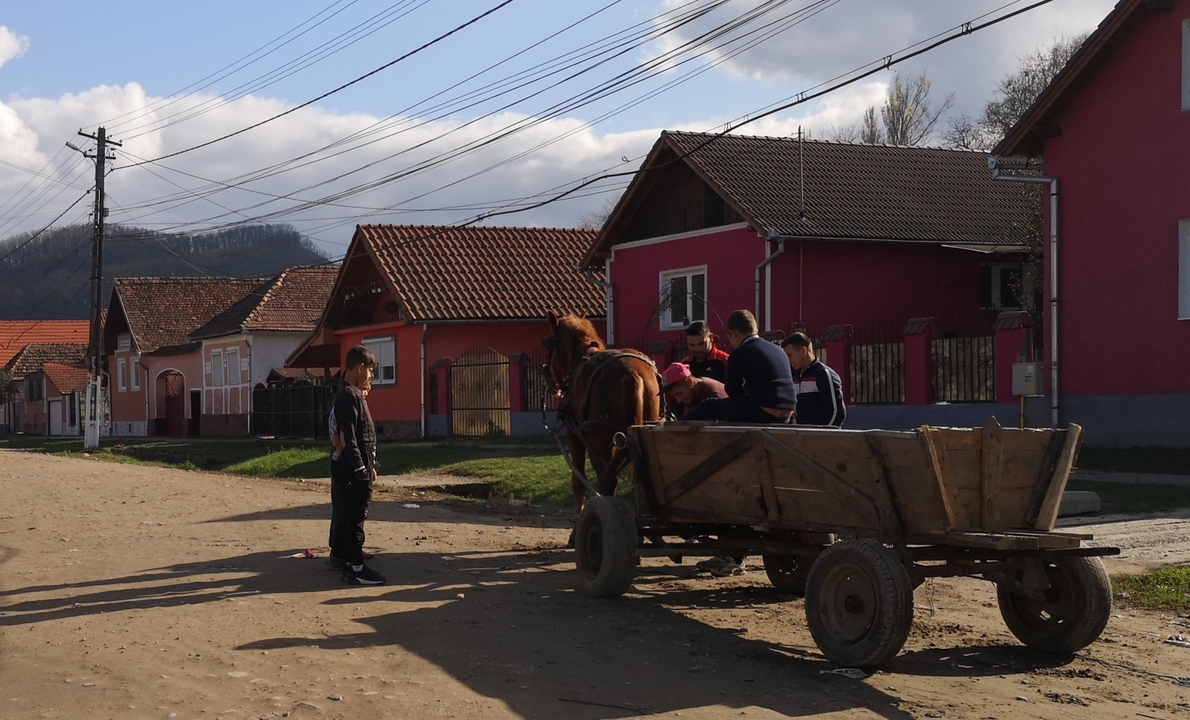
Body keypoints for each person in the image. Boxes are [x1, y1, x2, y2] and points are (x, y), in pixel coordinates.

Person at [328, 345, 385, 585]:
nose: (371, 377)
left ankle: (350, 561)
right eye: (370, 371)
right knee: (354, 518)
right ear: (359, 368)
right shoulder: (349, 396)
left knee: (353, 516)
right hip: (353, 469)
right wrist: (359, 468)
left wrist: (371, 463)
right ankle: (356, 567)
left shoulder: (353, 395)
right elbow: (348, 436)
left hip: (357, 465)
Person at [681, 310, 796, 424]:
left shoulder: (740, 353)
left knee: (709, 405)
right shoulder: (778, 350)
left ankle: (675, 429)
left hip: (764, 411)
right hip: (788, 412)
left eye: (729, 337)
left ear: (734, 333)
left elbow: (732, 391)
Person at [781, 332, 847, 427]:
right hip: (800, 438)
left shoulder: (823, 373)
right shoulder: (793, 376)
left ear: (804, 351)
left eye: (790, 355)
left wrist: (820, 436)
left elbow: (837, 413)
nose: (788, 360)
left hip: (821, 439)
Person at [662, 362, 727, 417]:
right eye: (675, 396)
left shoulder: (714, 394)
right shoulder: (692, 395)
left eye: (679, 393)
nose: (679, 400)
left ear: (689, 381)